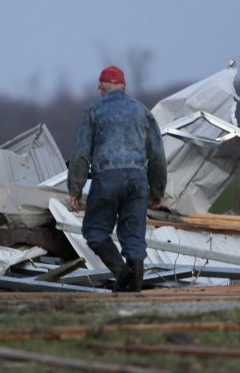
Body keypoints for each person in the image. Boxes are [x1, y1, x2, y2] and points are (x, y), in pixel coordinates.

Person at [67, 65, 167, 292]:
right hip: (137, 180)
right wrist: (157, 191)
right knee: (134, 236)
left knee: (95, 231)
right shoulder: (142, 111)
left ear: (102, 87)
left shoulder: (92, 111)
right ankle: (135, 288)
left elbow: (81, 153)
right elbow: (157, 155)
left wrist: (75, 188)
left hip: (107, 178)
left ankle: (122, 273)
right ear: (124, 87)